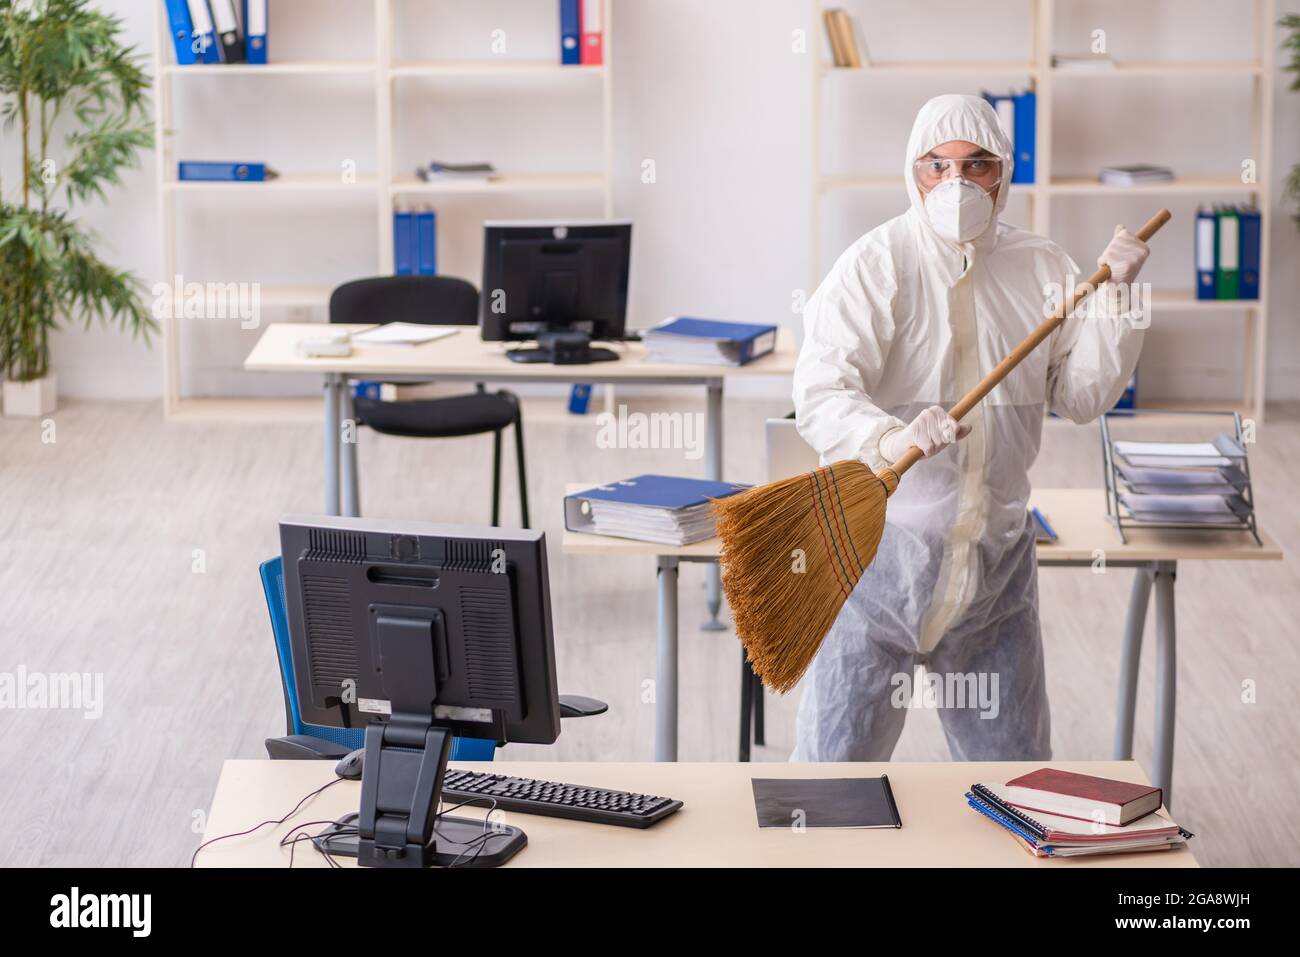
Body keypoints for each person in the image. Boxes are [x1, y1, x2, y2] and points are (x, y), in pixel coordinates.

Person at [791, 94, 1149, 762]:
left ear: (1003, 175)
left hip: (993, 578)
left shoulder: (1043, 268)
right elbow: (818, 391)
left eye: (976, 165)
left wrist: (1119, 301)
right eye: (938, 166)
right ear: (913, 173)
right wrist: (888, 440)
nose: (957, 184)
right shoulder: (874, 265)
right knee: (830, 789)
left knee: (1012, 790)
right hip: (871, 567)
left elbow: (1080, 396)